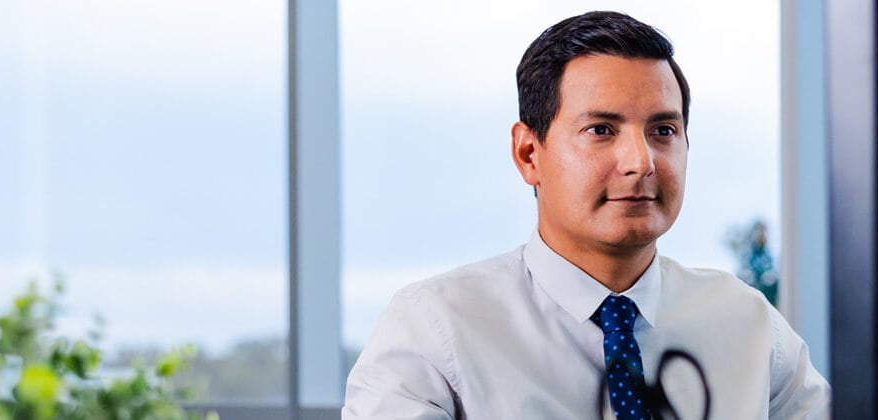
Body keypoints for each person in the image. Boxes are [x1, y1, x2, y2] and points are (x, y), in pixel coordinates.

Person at [342, 10, 829, 419]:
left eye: (663, 130)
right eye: (601, 129)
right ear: (529, 154)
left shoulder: (749, 326)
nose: (641, 162)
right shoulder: (435, 331)